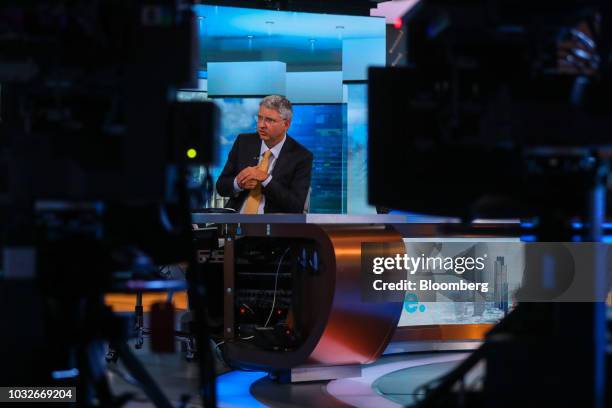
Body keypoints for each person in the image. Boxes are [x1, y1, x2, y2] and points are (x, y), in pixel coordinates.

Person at [216, 95, 313, 214]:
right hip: (235, 222)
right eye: (260, 118)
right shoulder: (243, 142)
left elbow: (296, 206)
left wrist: (266, 179)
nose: (261, 125)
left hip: (272, 227)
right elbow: (221, 187)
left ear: (286, 124)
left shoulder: (301, 156)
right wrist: (238, 182)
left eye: (269, 120)